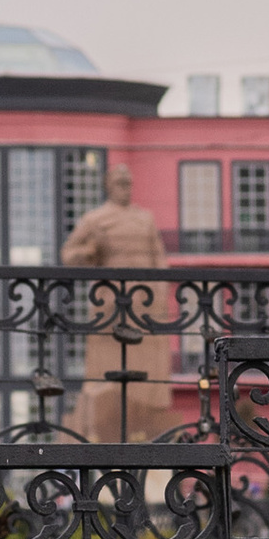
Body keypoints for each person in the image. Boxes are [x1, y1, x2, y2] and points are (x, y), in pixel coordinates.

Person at [59, 164, 174, 445]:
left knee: (149, 373)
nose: (125, 187)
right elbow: (68, 255)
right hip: (110, 306)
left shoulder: (145, 219)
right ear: (108, 185)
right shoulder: (95, 219)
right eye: (119, 182)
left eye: (128, 182)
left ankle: (148, 412)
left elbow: (159, 258)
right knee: (104, 374)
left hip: (145, 305)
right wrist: (91, 250)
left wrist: (161, 290)